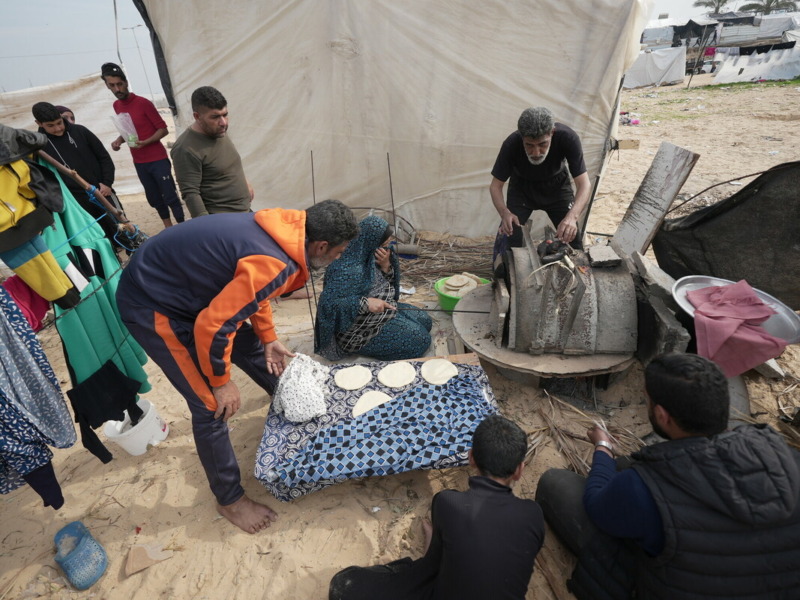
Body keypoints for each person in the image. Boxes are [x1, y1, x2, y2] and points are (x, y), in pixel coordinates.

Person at [115, 199, 358, 534]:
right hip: (153, 302)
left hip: (190, 291)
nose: (338, 259)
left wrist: (268, 336)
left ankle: (291, 402)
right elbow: (212, 327)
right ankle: (229, 500)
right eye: (339, 252)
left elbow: (252, 293)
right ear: (322, 245)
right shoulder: (276, 260)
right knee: (211, 406)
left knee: (260, 349)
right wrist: (220, 380)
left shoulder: (285, 229)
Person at [536, 353, 800, 599]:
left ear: (662, 415)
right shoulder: (783, 455)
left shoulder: (643, 487)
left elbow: (595, 504)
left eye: (647, 400)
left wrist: (603, 448)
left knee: (554, 484)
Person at [329, 414, 545, 600]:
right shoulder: (534, 515)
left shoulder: (449, 503)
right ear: (519, 470)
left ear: (471, 458)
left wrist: (437, 541)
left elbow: (432, 567)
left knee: (344, 583)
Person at [314, 215, 432, 361]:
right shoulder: (344, 268)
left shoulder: (372, 254)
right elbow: (329, 306)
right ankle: (363, 348)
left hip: (381, 310)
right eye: (384, 241)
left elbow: (387, 285)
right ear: (370, 240)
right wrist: (365, 303)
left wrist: (386, 267)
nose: (387, 245)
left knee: (425, 320)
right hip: (355, 328)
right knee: (420, 340)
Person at [490, 106, 590, 249]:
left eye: (543, 144)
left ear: (552, 133)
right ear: (522, 136)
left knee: (572, 239)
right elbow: (495, 186)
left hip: (557, 187)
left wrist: (572, 217)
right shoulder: (511, 144)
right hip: (522, 188)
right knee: (509, 239)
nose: (536, 152)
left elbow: (584, 184)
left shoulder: (568, 138)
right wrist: (504, 213)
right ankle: (501, 269)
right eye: (529, 145)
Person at [100, 62, 185, 228]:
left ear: (126, 83)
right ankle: (168, 228)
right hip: (139, 162)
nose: (117, 89)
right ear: (107, 86)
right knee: (154, 198)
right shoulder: (116, 106)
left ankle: (182, 227)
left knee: (170, 196)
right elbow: (129, 132)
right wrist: (120, 140)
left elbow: (163, 129)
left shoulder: (143, 103)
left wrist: (146, 142)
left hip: (157, 159)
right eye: (112, 85)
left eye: (120, 84)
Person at [32, 102, 124, 250]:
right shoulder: (38, 145)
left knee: (121, 227)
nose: (57, 129)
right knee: (97, 235)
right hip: (74, 201)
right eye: (51, 126)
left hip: (101, 191)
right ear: (39, 123)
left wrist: (107, 183)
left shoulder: (80, 131)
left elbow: (104, 157)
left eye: (59, 123)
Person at [170, 86, 254, 218]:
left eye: (225, 115)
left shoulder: (218, 131)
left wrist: (245, 182)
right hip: (223, 220)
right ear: (197, 116)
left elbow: (229, 163)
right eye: (215, 117)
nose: (223, 122)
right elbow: (191, 194)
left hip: (244, 212)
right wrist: (208, 227)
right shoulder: (185, 148)